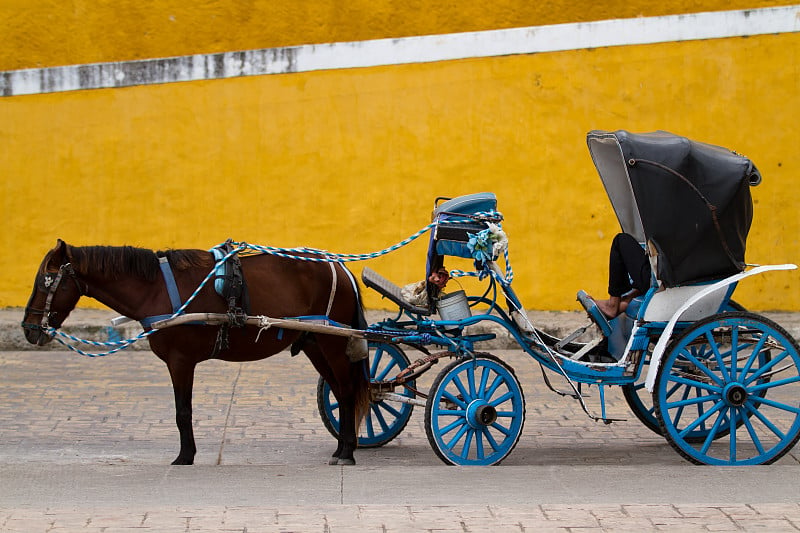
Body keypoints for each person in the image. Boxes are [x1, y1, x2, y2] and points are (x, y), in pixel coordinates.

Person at [588, 233, 652, 318]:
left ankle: (613, 305)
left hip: (664, 277)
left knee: (620, 240)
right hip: (661, 276)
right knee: (647, 261)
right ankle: (626, 300)